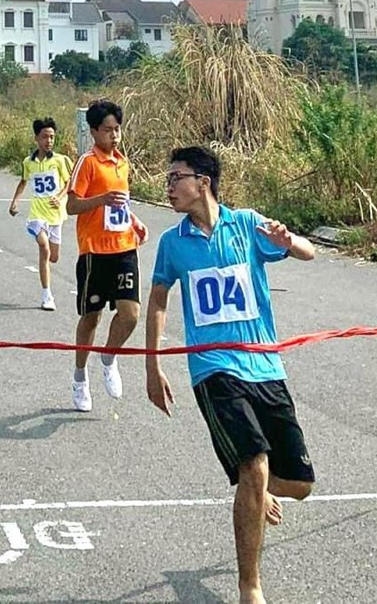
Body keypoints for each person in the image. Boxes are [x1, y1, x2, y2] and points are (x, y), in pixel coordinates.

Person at [145, 147, 316, 604]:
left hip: (264, 364)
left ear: (203, 182)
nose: (168, 187)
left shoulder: (245, 224)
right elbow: (158, 300)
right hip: (214, 369)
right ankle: (250, 587)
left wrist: (287, 241)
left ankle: (255, 489)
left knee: (300, 485)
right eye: (168, 178)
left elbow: (308, 252)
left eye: (176, 178)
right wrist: (153, 365)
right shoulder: (172, 243)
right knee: (254, 463)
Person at [65, 99, 147, 413]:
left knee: (130, 314)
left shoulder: (122, 163)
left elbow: (120, 204)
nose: (114, 136)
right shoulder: (87, 163)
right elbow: (72, 205)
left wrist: (135, 221)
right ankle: (80, 377)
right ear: (94, 131)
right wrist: (100, 199)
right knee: (92, 317)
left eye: (117, 130)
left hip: (124, 247)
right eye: (108, 130)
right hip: (94, 251)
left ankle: (109, 356)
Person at [9, 117, 73, 310]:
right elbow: (23, 182)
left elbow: (69, 182)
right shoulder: (28, 162)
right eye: (45, 137)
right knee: (44, 248)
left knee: (53, 257)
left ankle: (47, 287)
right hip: (37, 215)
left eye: (52, 137)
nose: (49, 141)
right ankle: (47, 295)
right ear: (36, 138)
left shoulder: (61, 161)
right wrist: (15, 202)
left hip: (55, 215)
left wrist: (60, 196)